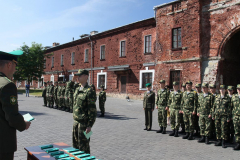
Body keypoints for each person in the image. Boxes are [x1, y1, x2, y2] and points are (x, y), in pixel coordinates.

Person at [0, 51, 31, 160]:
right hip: (3, 144)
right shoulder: (7, 85)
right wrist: (23, 124)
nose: (15, 69)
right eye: (15, 65)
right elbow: (11, 117)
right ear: (9, 64)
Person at [72, 69, 97, 154]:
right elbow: (68, 88)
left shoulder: (90, 91)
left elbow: (92, 110)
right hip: (76, 123)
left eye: (80, 75)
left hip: (84, 125)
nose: (78, 77)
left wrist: (89, 126)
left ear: (86, 77)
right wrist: (73, 80)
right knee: (75, 147)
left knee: (84, 148)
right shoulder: (77, 89)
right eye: (77, 76)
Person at [231, 84, 240, 150]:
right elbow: (231, 107)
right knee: (237, 131)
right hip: (236, 116)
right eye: (238, 89)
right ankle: (238, 143)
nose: (239, 90)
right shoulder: (234, 97)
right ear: (237, 89)